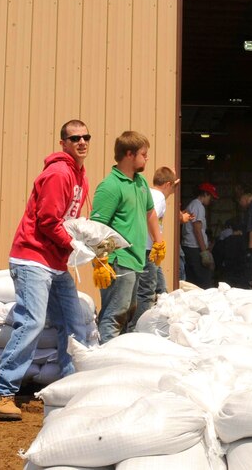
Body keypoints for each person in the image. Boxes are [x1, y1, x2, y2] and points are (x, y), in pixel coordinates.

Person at [0, 120, 91, 421]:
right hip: (33, 259)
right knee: (31, 323)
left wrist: (86, 239)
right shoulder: (59, 173)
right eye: (74, 138)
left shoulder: (80, 177)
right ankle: (1, 392)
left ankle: (72, 386)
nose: (81, 142)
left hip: (55, 263)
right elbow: (47, 221)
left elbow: (66, 220)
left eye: (85, 137)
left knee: (73, 323)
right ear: (64, 143)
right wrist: (73, 244)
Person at [90, 131, 165, 341]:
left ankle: (119, 360)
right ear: (130, 154)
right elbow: (97, 226)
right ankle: (105, 361)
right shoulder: (111, 186)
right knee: (115, 315)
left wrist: (158, 242)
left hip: (135, 259)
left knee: (129, 314)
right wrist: (101, 260)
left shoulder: (140, 183)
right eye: (144, 154)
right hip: (117, 261)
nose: (147, 158)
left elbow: (150, 211)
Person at [132, 166, 187, 326]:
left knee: (162, 289)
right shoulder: (158, 198)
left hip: (148, 251)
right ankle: (138, 326)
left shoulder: (149, 193)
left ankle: (164, 322)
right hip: (148, 250)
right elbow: (149, 218)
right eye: (174, 187)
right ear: (168, 184)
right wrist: (157, 241)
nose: (173, 192)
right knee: (146, 292)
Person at [181, 183, 217, 288]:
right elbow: (197, 229)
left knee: (193, 280)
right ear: (205, 194)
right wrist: (204, 251)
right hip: (195, 249)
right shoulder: (198, 206)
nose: (211, 200)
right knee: (204, 280)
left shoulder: (193, 205)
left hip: (190, 248)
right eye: (210, 196)